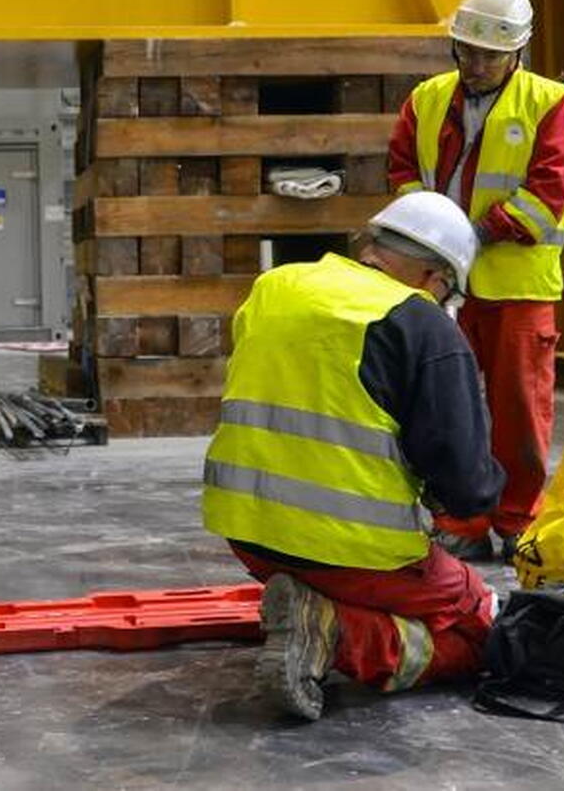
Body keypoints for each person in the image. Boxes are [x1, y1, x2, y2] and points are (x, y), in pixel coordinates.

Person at [201, 193, 506, 720]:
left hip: (249, 535)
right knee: (481, 629)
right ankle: (333, 631)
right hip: (356, 552)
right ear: (434, 277)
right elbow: (466, 487)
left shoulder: (273, 288)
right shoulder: (425, 325)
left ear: (372, 245)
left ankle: (316, 610)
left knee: (363, 581)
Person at [387, 0, 564, 564]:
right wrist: (428, 234)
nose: (475, 67)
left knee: (518, 410)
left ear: (517, 51)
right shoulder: (426, 100)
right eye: (467, 52)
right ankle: (460, 519)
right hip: (439, 284)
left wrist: (473, 234)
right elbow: (402, 170)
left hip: (516, 289)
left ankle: (517, 519)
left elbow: (547, 193)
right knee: (444, 407)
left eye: (489, 57)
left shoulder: (550, 103)